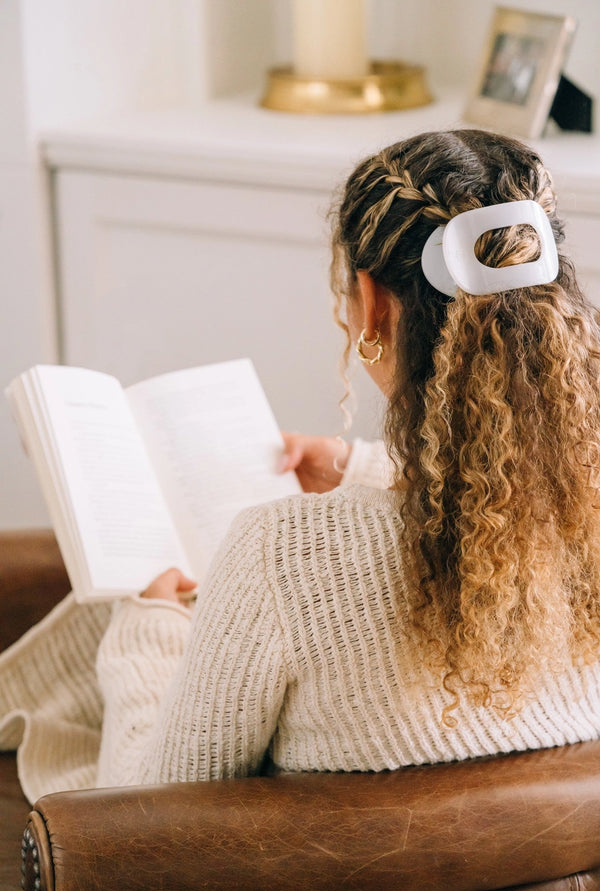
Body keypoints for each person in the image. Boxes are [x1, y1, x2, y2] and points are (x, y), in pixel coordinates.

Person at [3, 128, 600, 800]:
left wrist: (148, 626)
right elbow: (482, 497)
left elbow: (147, 811)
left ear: (372, 307)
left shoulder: (281, 556)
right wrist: (361, 469)